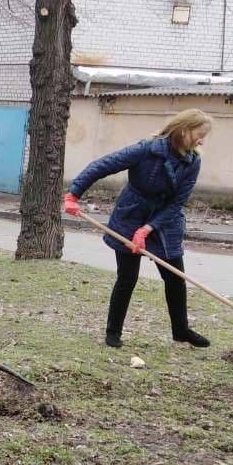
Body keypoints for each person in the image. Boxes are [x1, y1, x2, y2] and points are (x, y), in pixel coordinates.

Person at [64, 109, 213, 349]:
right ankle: (113, 332)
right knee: (127, 277)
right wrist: (74, 194)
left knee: (175, 277)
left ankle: (181, 330)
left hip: (165, 221)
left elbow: (177, 202)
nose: (202, 141)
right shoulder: (147, 149)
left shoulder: (192, 162)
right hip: (131, 214)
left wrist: (147, 229)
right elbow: (103, 165)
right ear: (184, 130)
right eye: (200, 134)